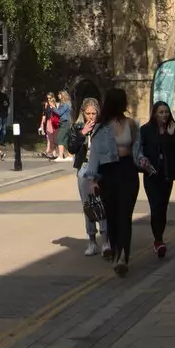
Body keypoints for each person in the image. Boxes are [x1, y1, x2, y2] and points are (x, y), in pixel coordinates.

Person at [86, 87, 149, 276]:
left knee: (125, 216)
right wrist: (92, 179)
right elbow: (95, 154)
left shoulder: (131, 124)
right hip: (108, 173)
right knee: (112, 216)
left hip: (128, 171)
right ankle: (115, 252)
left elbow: (138, 149)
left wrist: (145, 163)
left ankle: (123, 257)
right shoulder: (101, 127)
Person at [140, 100, 175, 259]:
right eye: (161, 112)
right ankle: (158, 240)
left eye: (166, 112)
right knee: (155, 206)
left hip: (167, 174)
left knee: (163, 207)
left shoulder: (174, 130)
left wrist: (170, 136)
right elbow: (141, 149)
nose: (164, 115)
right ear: (154, 114)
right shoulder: (146, 130)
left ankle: (159, 237)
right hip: (152, 174)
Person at [66, 97, 106, 254]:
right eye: (88, 113)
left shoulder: (103, 128)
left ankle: (105, 242)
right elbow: (71, 148)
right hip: (84, 166)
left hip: (100, 168)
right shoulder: (77, 128)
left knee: (102, 204)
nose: (91, 116)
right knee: (88, 205)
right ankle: (91, 241)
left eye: (94, 113)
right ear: (83, 113)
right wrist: (82, 134)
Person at [40, 94, 61, 160]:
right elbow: (44, 114)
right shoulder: (46, 105)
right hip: (49, 121)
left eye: (50, 98)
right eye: (47, 98)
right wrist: (42, 123)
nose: (48, 99)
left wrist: (53, 106)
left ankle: (53, 152)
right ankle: (49, 151)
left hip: (54, 122)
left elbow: (58, 113)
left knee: (54, 137)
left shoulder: (56, 104)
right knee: (49, 137)